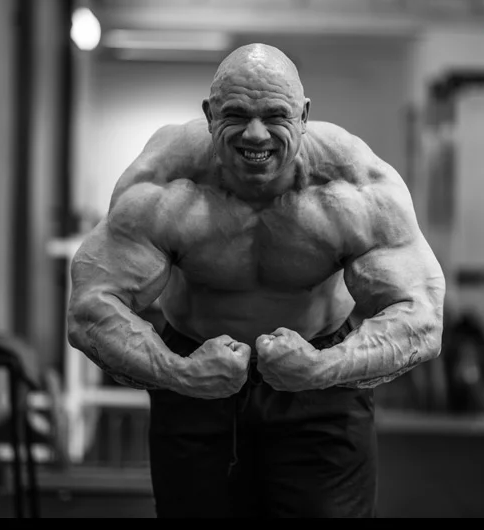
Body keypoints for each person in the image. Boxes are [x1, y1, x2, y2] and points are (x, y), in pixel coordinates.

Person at [67, 43, 446, 518]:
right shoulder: (165, 181)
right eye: (236, 115)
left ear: (304, 116)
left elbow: (423, 318)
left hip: (321, 384)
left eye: (275, 115)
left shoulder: (354, 187)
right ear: (209, 115)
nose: (255, 133)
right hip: (196, 378)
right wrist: (179, 373)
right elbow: (90, 310)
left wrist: (321, 368)